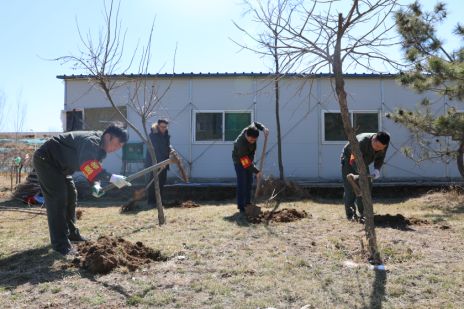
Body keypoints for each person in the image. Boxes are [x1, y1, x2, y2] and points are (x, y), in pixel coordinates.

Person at [33, 122, 131, 255]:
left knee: (71, 194)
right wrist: (112, 177)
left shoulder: (100, 151)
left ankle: (72, 235)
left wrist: (95, 185)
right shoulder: (91, 141)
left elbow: (93, 171)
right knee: (58, 199)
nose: (117, 149)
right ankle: (60, 245)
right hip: (47, 160)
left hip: (61, 168)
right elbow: (88, 165)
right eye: (117, 144)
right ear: (108, 136)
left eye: (120, 147)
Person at [340, 131, 390, 221]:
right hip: (349, 159)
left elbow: (380, 157)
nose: (378, 149)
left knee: (366, 186)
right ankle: (351, 214)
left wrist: (377, 169)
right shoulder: (360, 142)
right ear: (373, 140)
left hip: (364, 161)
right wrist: (361, 175)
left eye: (381, 148)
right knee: (350, 188)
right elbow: (353, 160)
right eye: (377, 147)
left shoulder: (384, 143)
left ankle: (363, 212)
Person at [232, 122, 269, 213]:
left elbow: (255, 123)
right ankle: (241, 207)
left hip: (248, 160)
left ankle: (247, 204)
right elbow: (245, 162)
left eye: (255, 140)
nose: (253, 141)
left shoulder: (251, 129)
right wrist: (257, 172)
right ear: (246, 135)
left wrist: (263, 128)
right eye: (251, 140)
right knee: (242, 183)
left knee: (249, 182)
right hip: (240, 161)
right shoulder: (241, 144)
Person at [145, 119, 172, 208]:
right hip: (154, 163)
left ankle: (159, 201)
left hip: (164, 163)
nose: (164, 128)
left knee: (161, 183)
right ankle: (151, 202)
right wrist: (160, 163)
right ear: (158, 126)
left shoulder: (166, 136)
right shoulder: (153, 136)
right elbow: (155, 151)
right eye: (162, 127)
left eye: (165, 127)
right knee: (153, 183)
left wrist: (170, 153)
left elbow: (166, 147)